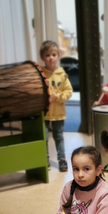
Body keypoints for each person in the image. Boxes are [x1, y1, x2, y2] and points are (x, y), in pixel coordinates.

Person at [40, 40, 73, 172]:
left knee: (59, 137)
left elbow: (69, 91)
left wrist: (58, 97)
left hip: (58, 113)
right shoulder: (40, 74)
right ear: (42, 57)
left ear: (58, 56)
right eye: (47, 55)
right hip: (44, 113)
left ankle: (62, 159)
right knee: (44, 138)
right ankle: (45, 159)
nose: (51, 58)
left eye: (54, 54)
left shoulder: (62, 74)